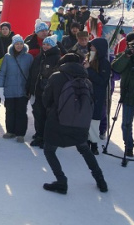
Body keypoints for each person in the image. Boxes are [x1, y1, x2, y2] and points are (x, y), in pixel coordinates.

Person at [41, 53, 107, 195]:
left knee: (49, 150)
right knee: (84, 149)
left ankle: (61, 181)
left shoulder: (56, 76)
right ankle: (101, 180)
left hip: (57, 122)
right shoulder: (87, 80)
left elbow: (46, 100)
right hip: (80, 124)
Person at [27, 35, 61, 148]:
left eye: (48, 44)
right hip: (37, 91)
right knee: (38, 114)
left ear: (53, 46)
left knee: (47, 116)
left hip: (48, 93)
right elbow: (32, 73)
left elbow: (57, 77)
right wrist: (30, 88)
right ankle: (39, 135)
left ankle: (47, 138)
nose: (45, 46)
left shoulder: (56, 58)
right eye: (44, 44)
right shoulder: (39, 56)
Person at [0, 34, 33, 142]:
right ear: (13, 45)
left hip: (23, 90)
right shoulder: (7, 57)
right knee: (10, 111)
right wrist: (0, 87)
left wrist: (31, 88)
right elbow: (2, 72)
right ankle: (10, 131)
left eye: (21, 43)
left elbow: (31, 74)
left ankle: (20, 133)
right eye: (17, 44)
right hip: (9, 89)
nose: (19, 46)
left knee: (21, 112)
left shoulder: (29, 57)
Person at [85, 38, 111, 155]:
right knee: (86, 119)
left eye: (93, 46)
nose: (91, 48)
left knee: (95, 121)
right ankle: (86, 141)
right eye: (90, 46)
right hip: (86, 93)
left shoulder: (104, 62)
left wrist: (88, 69)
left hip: (97, 95)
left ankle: (94, 144)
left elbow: (102, 80)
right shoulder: (89, 57)